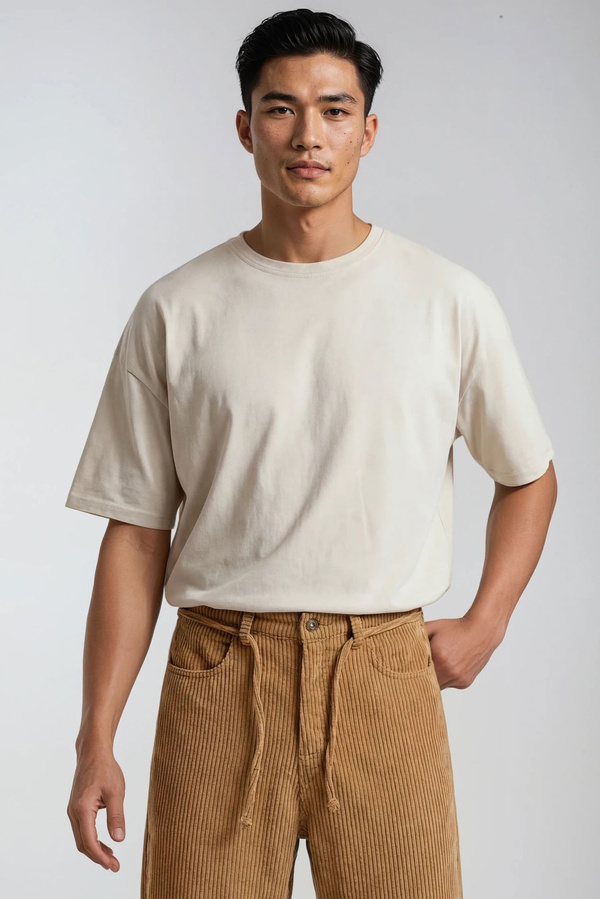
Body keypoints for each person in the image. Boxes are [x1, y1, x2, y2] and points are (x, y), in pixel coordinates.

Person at [65, 9, 557, 898]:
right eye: (281, 109)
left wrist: (487, 620)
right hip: (218, 672)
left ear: (369, 130)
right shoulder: (177, 309)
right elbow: (135, 531)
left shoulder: (446, 300)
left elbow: (528, 475)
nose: (308, 135)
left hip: (384, 673)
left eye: (335, 110)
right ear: (245, 127)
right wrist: (96, 736)